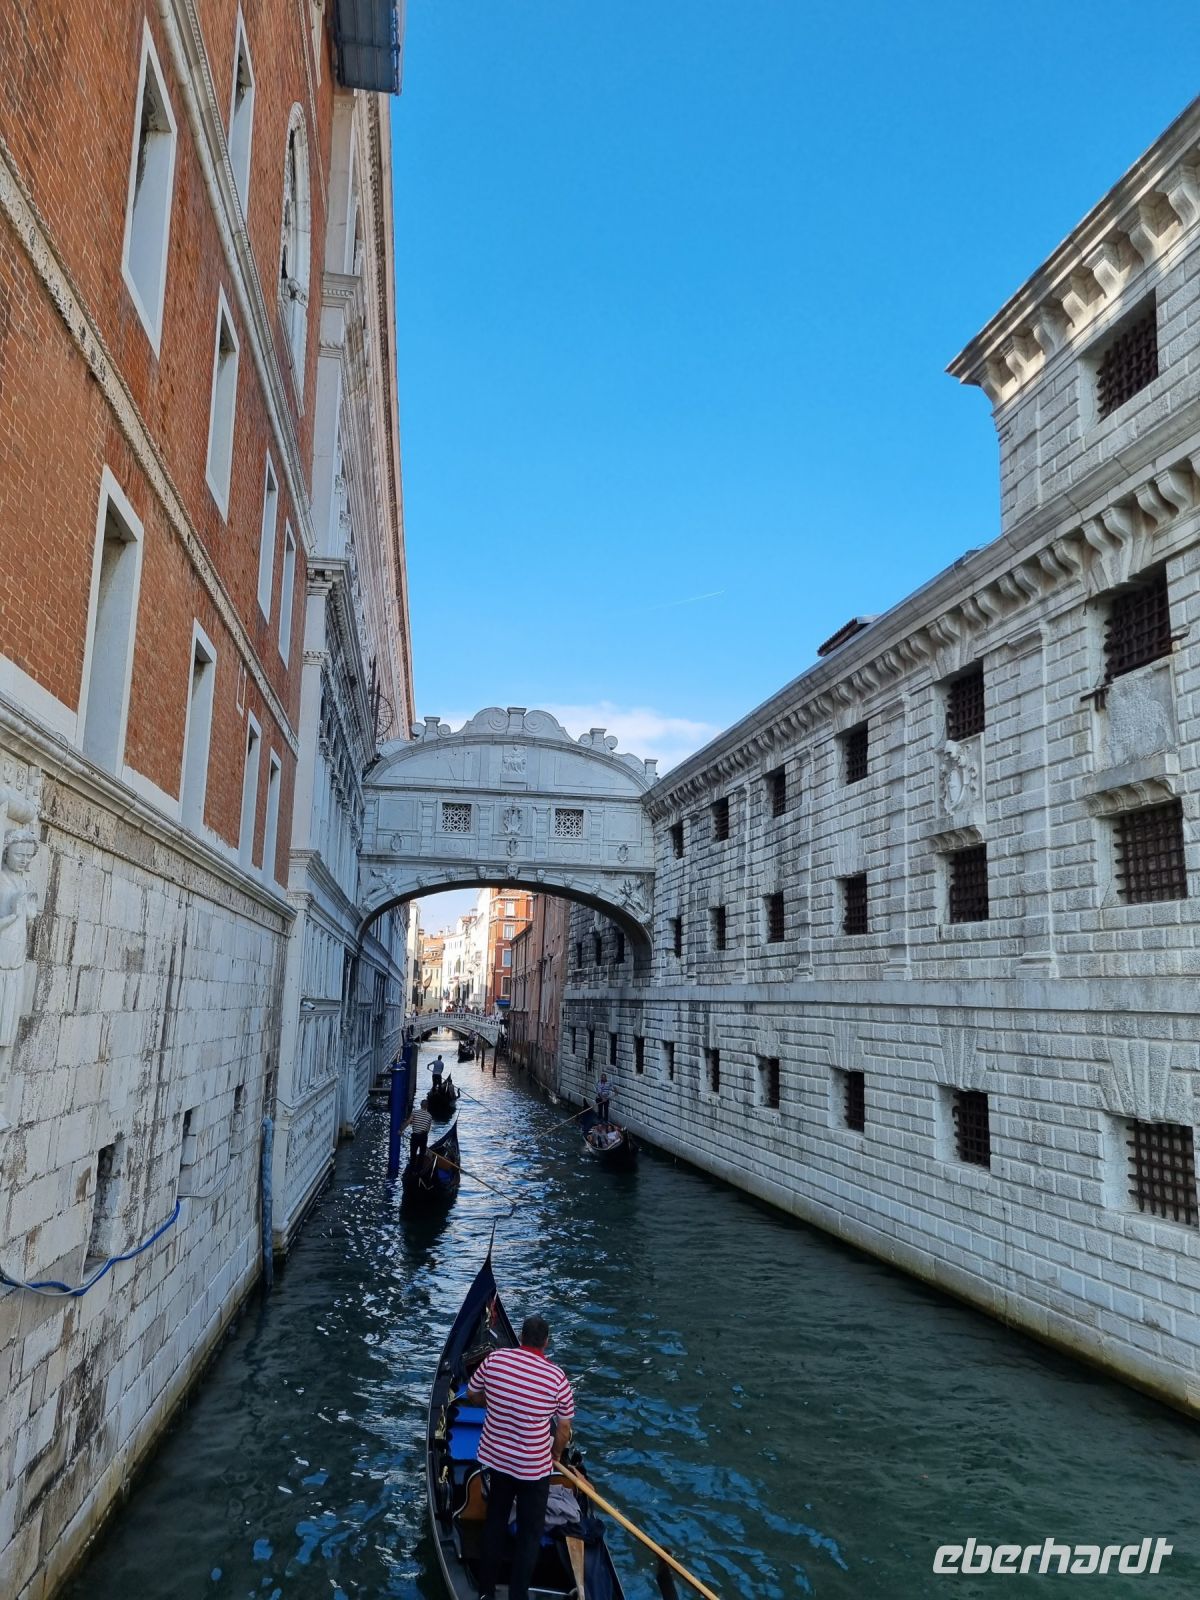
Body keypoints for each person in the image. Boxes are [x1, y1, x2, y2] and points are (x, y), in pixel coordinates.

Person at [468, 1314, 575, 1600]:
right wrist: (556, 1454)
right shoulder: (557, 1377)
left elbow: (472, 1394)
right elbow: (563, 1428)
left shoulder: (495, 1361)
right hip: (534, 1470)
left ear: (520, 1336)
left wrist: (493, 1404)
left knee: (495, 1524)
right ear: (546, 1343)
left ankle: (485, 1592)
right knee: (529, 1536)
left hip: (498, 1462)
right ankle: (518, 1596)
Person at [402, 1097, 433, 1166]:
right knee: (422, 1154)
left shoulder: (415, 1112)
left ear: (420, 1105)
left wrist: (401, 1130)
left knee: (413, 1153)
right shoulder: (429, 1116)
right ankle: (418, 1170)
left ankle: (412, 1169)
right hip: (423, 1137)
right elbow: (427, 1130)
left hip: (415, 1136)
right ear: (427, 1106)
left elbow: (408, 1122)